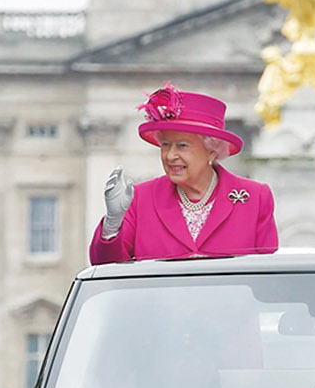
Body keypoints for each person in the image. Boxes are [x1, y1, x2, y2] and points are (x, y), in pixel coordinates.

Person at [90, 85, 278, 263]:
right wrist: (112, 225)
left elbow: (268, 275)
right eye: (165, 145)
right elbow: (106, 268)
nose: (170, 156)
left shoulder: (254, 197)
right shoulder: (140, 199)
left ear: (212, 150)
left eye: (182, 146)